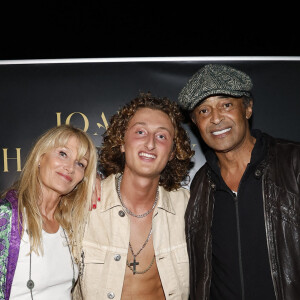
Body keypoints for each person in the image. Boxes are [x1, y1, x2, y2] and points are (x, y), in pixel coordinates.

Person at [177, 63, 300, 300]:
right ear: (195, 123)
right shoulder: (201, 184)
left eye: (226, 105)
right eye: (204, 111)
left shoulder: (293, 162)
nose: (215, 119)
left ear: (247, 109)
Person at [76, 93, 194, 299]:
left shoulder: (189, 207)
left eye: (161, 136)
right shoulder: (83, 203)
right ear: (121, 142)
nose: (150, 144)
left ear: (173, 152)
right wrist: (80, 181)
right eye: (140, 132)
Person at [0, 124, 97, 300]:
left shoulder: (71, 225)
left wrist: (98, 179)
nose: (70, 168)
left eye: (80, 163)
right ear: (40, 157)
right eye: (63, 154)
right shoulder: (6, 216)